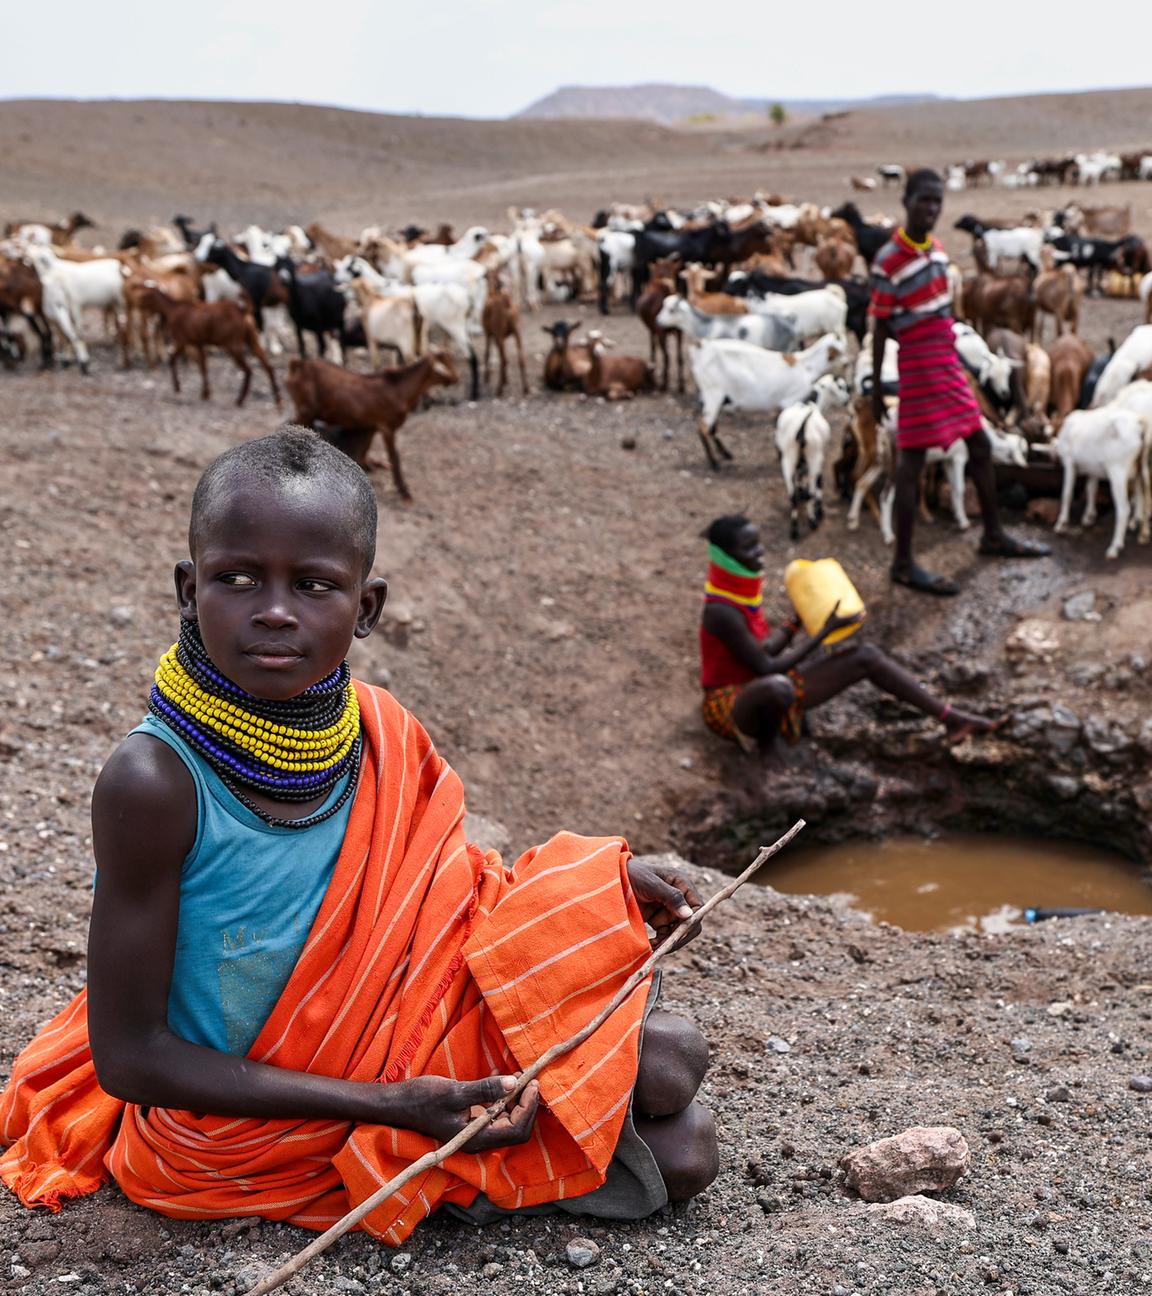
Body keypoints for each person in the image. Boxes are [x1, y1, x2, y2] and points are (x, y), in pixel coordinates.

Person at [0, 427, 718, 1242]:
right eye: (237, 579)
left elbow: (447, 898)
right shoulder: (154, 783)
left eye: (313, 585)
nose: (274, 611)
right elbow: (130, 1058)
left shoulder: (376, 730)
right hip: (235, 1138)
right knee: (683, 1145)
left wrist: (604, 894)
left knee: (672, 1058)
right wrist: (392, 1106)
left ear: (366, 606)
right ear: (187, 588)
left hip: (400, 1051)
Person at [869, 168, 1050, 596]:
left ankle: (992, 535)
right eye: (923, 200)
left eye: (937, 201)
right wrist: (878, 387)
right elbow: (879, 327)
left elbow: (942, 311)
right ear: (906, 202)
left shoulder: (935, 250)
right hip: (916, 365)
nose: (931, 209)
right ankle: (904, 564)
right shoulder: (888, 260)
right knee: (911, 461)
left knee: (981, 444)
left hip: (946, 360)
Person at [699, 515, 1002, 753]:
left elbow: (763, 650)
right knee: (779, 687)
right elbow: (765, 666)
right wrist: (823, 633)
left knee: (865, 656)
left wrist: (797, 621)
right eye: (749, 548)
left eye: (758, 543)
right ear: (726, 557)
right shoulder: (721, 611)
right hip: (730, 704)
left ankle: (953, 719)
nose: (760, 552)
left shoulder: (738, 594)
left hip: (760, 687)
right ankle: (768, 747)